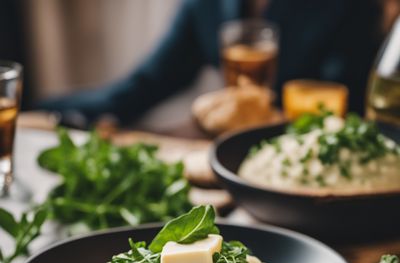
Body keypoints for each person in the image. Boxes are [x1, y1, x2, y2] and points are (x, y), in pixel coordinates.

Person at [37, 0, 383, 128]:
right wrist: (33, 106)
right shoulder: (207, 6)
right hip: (226, 170)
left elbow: (349, 111)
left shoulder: (348, 7)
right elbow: (140, 89)